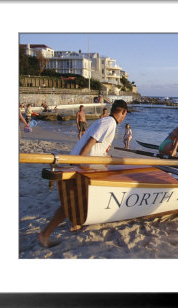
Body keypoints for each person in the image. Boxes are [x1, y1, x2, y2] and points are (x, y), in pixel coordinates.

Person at [37, 100, 129, 248]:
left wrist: (105, 158)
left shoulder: (105, 120)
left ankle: (75, 223)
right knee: (69, 203)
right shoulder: (110, 123)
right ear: (123, 112)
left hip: (84, 163)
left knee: (80, 197)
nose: (125, 117)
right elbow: (91, 142)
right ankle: (44, 234)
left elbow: (97, 146)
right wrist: (79, 163)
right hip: (82, 164)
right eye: (125, 114)